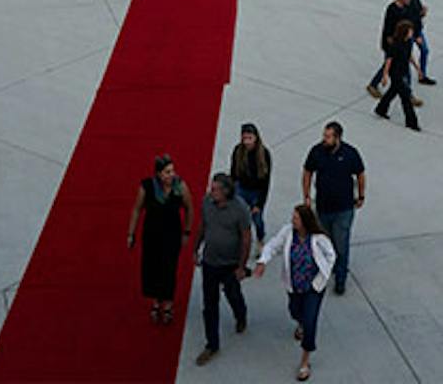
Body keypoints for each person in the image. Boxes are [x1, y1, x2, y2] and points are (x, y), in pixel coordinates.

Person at [253, 204, 336, 382]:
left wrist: (320, 280)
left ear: (305, 221)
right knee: (295, 312)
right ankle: (300, 323)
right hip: (294, 286)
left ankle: (305, 361)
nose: (293, 220)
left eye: (296, 218)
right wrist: (263, 261)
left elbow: (331, 256)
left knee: (310, 321)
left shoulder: (319, 239)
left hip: (313, 288)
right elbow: (273, 246)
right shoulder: (288, 232)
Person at [194, 173, 252, 366]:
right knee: (209, 304)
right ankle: (212, 344)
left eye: (215, 189)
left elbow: (246, 238)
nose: (211, 192)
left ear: (226, 191)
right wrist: (196, 248)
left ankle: (241, 315)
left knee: (233, 294)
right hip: (210, 262)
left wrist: (241, 266)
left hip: (230, 264)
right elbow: (203, 226)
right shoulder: (207, 202)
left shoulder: (240, 209)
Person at [127, 154, 192, 325]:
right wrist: (131, 233)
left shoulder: (180, 186)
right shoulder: (147, 187)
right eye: (167, 172)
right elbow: (137, 209)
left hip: (172, 235)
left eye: (172, 171)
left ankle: (168, 303)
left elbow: (189, 208)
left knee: (169, 268)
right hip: (152, 235)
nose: (171, 175)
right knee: (152, 267)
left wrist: (186, 232)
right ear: (158, 174)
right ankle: (156, 301)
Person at [300, 122, 364, 295]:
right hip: (323, 207)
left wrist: (361, 196)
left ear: (338, 138)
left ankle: (340, 278)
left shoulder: (350, 153)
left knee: (341, 244)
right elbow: (307, 171)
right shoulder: (317, 151)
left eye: (328, 137)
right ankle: (325, 271)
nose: (324, 139)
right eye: (324, 135)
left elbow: (360, 174)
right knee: (324, 244)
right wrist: (306, 195)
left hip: (344, 209)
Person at [230, 123, 272, 250]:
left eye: (250, 138)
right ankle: (238, 239)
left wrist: (259, 204)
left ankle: (260, 239)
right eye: (244, 138)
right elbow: (233, 173)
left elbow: (266, 182)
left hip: (257, 191)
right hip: (242, 187)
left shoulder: (264, 154)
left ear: (256, 138)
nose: (247, 142)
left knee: (257, 219)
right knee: (238, 215)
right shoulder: (238, 151)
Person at [373, 20, 421, 130]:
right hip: (395, 73)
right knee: (406, 97)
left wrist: (417, 68)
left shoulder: (408, 43)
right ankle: (411, 122)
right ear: (405, 32)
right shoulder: (395, 45)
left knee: (393, 91)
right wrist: (385, 76)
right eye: (410, 31)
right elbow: (388, 61)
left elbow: (409, 56)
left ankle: (381, 109)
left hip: (403, 70)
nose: (412, 33)